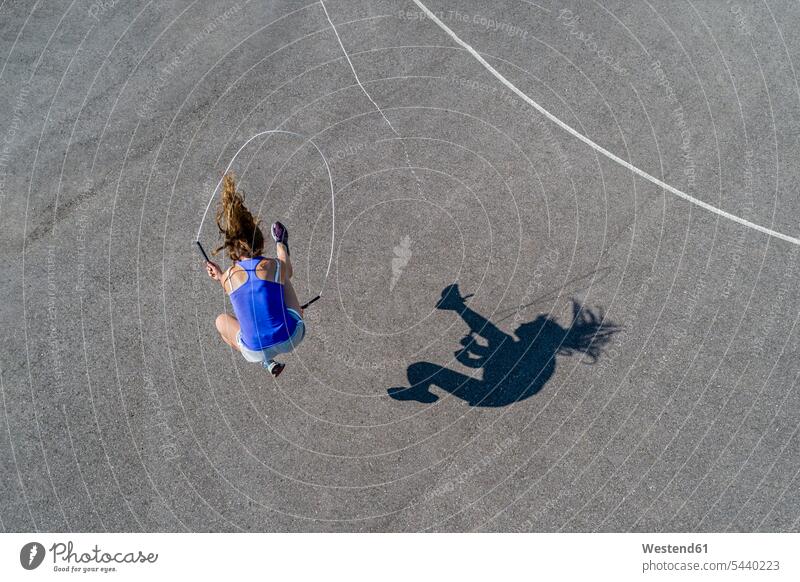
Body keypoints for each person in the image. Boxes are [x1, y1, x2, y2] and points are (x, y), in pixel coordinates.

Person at [204, 173, 305, 377]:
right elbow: (289, 271)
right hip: (291, 336)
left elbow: (230, 287)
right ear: (258, 242)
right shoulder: (272, 266)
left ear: (231, 248)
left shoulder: (229, 278)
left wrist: (220, 275)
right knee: (284, 276)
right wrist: (281, 253)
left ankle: (266, 362)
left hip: (254, 350)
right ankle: (281, 244)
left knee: (221, 323)